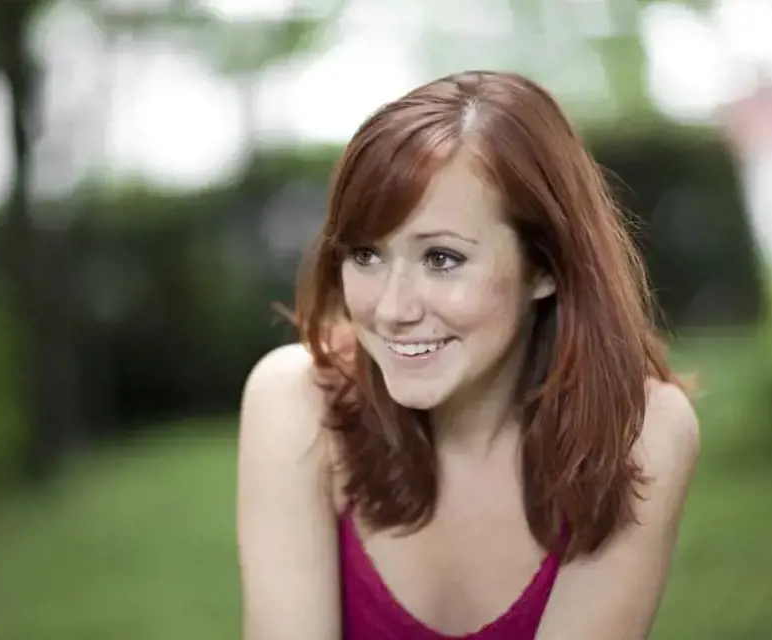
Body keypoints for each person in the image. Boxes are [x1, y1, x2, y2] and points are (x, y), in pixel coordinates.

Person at [236, 70, 700, 640]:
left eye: (441, 259)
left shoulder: (639, 433)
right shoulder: (297, 404)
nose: (392, 309)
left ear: (545, 266)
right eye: (365, 255)